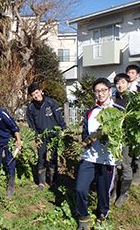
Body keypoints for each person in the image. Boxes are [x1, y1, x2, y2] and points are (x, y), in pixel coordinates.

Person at [75, 78, 123, 230]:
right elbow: (84, 132)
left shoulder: (119, 112)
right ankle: (83, 217)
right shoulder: (91, 112)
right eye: (97, 91)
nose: (100, 93)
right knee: (80, 188)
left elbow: (124, 135)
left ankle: (102, 214)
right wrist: (86, 140)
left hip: (107, 159)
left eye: (103, 90)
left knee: (103, 192)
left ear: (110, 91)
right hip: (89, 157)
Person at [26, 82, 66, 190]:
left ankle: (53, 181)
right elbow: (31, 124)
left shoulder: (51, 103)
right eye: (33, 94)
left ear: (41, 91)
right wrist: (36, 136)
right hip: (41, 136)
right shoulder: (30, 108)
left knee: (53, 157)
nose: (36, 95)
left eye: (37, 92)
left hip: (54, 135)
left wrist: (63, 130)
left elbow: (59, 118)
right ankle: (41, 182)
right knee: (41, 157)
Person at [110, 73, 133, 207]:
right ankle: (112, 191)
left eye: (123, 82)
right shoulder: (112, 100)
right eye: (117, 82)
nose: (120, 85)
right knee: (112, 164)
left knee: (125, 163)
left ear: (128, 84)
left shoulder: (133, 100)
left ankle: (124, 193)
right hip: (114, 137)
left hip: (127, 137)